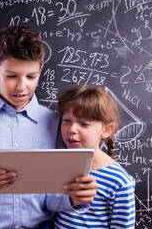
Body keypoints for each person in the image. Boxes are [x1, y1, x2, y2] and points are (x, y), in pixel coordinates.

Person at [0, 26, 98, 229]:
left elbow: (53, 199)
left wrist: (76, 197)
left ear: (41, 70)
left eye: (31, 76)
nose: (22, 87)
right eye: (11, 76)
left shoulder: (55, 121)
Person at [53, 86, 136, 229]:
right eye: (67, 120)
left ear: (106, 130)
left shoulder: (120, 182)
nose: (72, 129)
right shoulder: (58, 165)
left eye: (84, 124)